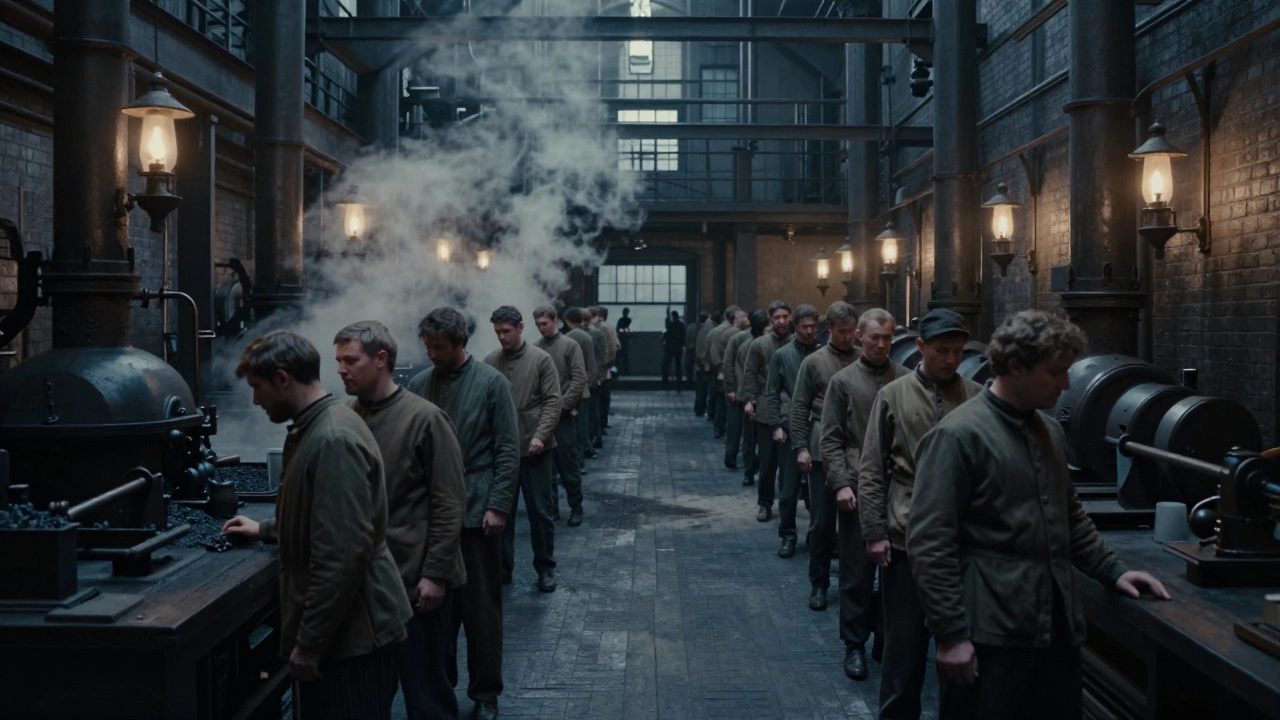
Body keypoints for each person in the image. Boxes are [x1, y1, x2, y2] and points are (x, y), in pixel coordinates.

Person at [908, 310, 1171, 720]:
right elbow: (929, 545)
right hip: (990, 635)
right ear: (1015, 367)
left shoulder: (1049, 431)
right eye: (1055, 373)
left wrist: (1112, 569)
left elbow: (1069, 513)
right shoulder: (957, 436)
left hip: (1055, 631)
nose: (1065, 384)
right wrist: (950, 635)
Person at [222, 330, 410, 720]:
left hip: (354, 637)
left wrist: (309, 643)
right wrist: (264, 529)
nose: (256, 400)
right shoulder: (318, 427)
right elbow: (322, 519)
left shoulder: (332, 440)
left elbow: (341, 556)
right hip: (345, 634)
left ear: (283, 378)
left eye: (258, 388)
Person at [334, 321, 468, 720]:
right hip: (367, 583)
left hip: (416, 585)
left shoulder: (425, 419)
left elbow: (449, 502)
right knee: (369, 695)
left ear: (381, 359)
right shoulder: (345, 418)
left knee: (427, 696)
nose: (341, 369)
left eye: (350, 360)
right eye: (338, 360)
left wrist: (436, 574)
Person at [854, 308, 982, 715]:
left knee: (961, 652)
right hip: (905, 539)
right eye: (942, 350)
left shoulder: (977, 397)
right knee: (903, 650)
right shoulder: (893, 395)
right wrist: (874, 530)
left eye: (958, 351)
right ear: (922, 347)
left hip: (961, 541)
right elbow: (872, 468)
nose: (950, 359)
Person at [406, 308, 520, 720]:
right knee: (436, 610)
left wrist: (499, 505)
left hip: (476, 510)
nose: (432, 354)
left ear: (460, 344)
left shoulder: (492, 383)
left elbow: (508, 448)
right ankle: (442, 687)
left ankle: (486, 692)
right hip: (432, 514)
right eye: (428, 346)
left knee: (481, 611)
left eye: (439, 347)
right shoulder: (420, 385)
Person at [816, 308, 909, 683]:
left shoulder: (905, 380)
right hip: (856, 486)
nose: (882, 344)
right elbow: (831, 437)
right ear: (859, 337)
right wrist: (839, 483)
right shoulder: (843, 382)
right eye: (875, 338)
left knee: (895, 573)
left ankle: (885, 639)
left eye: (887, 338)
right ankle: (854, 644)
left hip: (897, 490)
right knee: (856, 571)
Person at [789, 302, 861, 621]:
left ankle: (851, 583)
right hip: (821, 449)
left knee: (855, 523)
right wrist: (801, 447)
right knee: (821, 521)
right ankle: (818, 583)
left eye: (852, 332)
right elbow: (799, 406)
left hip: (856, 449)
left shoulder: (863, 360)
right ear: (829, 328)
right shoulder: (815, 362)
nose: (848, 338)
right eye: (842, 331)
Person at [483, 306, 562, 593]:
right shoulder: (491, 361)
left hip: (535, 448)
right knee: (501, 509)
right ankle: (503, 568)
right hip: (502, 450)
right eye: (497, 332)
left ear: (519, 328)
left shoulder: (541, 360)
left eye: (506, 331)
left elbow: (554, 401)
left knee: (540, 511)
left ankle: (545, 568)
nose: (501, 337)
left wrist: (541, 435)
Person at [763, 304, 819, 536]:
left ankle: (820, 537)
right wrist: (776, 424)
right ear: (795, 327)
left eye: (813, 326)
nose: (808, 331)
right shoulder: (782, 355)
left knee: (818, 490)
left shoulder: (822, 354)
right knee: (788, 488)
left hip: (816, 427)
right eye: (804, 326)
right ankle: (787, 534)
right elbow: (772, 393)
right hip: (789, 427)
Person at [533, 305, 589, 526]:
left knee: (567, 462)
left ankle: (576, 506)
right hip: (542, 416)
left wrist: (563, 406)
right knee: (547, 467)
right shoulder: (535, 349)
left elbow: (579, 379)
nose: (541, 328)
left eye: (545, 324)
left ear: (556, 320)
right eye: (537, 325)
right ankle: (552, 508)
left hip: (563, 416)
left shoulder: (570, 345)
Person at [742, 301, 792, 521]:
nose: (781, 321)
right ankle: (765, 503)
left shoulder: (797, 343)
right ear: (771, 319)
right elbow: (750, 373)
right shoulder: (760, 344)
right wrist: (750, 400)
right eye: (777, 317)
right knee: (767, 462)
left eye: (785, 316)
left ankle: (788, 503)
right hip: (765, 409)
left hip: (791, 409)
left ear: (790, 317)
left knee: (789, 464)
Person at [722, 309, 758, 475]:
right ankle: (733, 457)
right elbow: (728, 364)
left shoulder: (740, 338)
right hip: (739, 390)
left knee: (738, 428)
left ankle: (735, 458)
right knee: (739, 428)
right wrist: (731, 387)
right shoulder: (738, 339)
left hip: (742, 390)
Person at [564, 308, 599, 466]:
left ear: (567, 320)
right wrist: (588, 386)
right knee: (581, 428)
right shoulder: (587, 337)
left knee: (568, 430)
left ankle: (572, 462)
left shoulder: (565, 339)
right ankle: (580, 461)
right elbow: (592, 367)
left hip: (567, 390)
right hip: (583, 391)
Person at [707, 306, 742, 439]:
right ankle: (721, 427)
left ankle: (720, 427)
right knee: (722, 402)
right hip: (725, 372)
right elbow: (715, 353)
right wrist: (720, 370)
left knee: (721, 401)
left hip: (723, 371)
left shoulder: (719, 331)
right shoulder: (728, 332)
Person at [585, 307, 610, 449]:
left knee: (594, 409)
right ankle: (595, 436)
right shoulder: (596, 332)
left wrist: (599, 376)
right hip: (594, 376)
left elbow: (604, 355)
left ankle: (595, 436)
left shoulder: (597, 333)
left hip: (594, 377)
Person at [593, 306, 620, 426]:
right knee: (604, 400)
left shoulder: (599, 329)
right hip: (607, 368)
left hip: (601, 369)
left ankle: (600, 426)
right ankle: (603, 424)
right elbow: (617, 345)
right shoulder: (609, 328)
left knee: (599, 401)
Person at [694, 311, 717, 419]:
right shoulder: (708, 329)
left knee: (702, 390)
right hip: (704, 365)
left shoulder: (704, 329)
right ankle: (701, 409)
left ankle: (700, 409)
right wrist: (706, 363)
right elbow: (703, 350)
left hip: (702, 364)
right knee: (703, 390)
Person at [662, 310, 686, 389]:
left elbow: (667, 334)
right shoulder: (682, 325)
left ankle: (665, 381)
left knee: (666, 364)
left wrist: (662, 339)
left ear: (672, 316)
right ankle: (679, 382)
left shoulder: (670, 325)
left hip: (670, 347)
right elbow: (684, 336)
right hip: (678, 348)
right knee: (678, 365)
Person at [684, 312, 704, 398]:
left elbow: (686, 338)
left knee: (689, 365)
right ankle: (696, 382)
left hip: (690, 349)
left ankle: (689, 381)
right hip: (699, 349)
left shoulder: (691, 326)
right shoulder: (704, 328)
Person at [616, 307, 633, 375]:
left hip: (620, 339)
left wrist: (621, 332)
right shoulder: (629, 320)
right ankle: (626, 371)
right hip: (624, 340)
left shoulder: (621, 320)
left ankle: (618, 370)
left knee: (619, 357)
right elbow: (628, 330)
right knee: (624, 356)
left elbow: (618, 329)